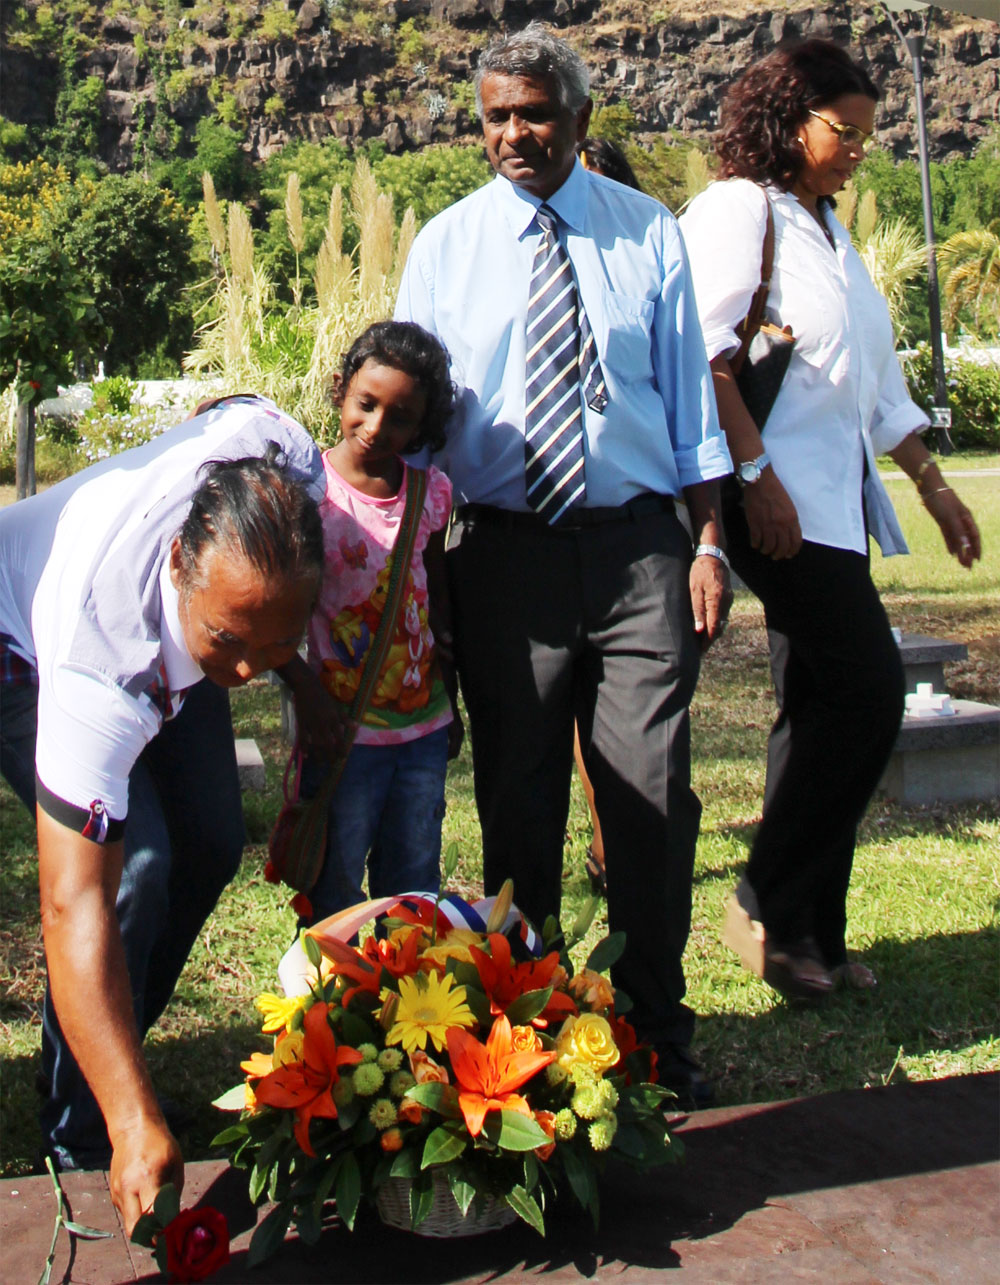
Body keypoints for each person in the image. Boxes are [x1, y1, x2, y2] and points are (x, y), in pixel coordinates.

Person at [395, 23, 733, 1107]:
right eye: (495, 116)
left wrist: (710, 542)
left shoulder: (648, 235)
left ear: (580, 119)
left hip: (640, 552)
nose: (513, 135)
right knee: (517, 798)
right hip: (502, 559)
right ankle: (523, 1031)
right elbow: (418, 420)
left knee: (647, 792)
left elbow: (690, 405)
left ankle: (651, 1027)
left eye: (533, 113)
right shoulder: (444, 247)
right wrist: (423, 579)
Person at [678, 40, 981, 1000]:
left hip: (834, 506)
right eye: (840, 132)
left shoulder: (830, 234)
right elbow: (703, 353)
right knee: (867, 692)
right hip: (772, 503)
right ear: (787, 118)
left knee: (815, 711)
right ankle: (764, 894)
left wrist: (932, 484)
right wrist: (753, 473)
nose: (856, 150)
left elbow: (875, 388)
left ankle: (809, 939)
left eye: (866, 136)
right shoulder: (740, 209)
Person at [0, 396, 324, 1231]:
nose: (251, 672)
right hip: (21, 649)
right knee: (136, 867)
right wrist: (132, 1117)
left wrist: (304, 677)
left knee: (214, 839)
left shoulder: (284, 459)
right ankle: (83, 1129)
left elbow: (236, 412)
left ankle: (115, 1053)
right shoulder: (96, 662)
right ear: (180, 559)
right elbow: (73, 904)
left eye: (276, 644)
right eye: (232, 643)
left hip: (171, 631)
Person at [281, 322, 464, 924]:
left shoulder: (430, 494)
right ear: (341, 391)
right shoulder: (308, 495)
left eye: (402, 417)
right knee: (333, 893)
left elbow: (436, 603)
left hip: (421, 733)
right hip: (341, 737)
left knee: (412, 893)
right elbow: (279, 614)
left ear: (424, 426)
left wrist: (451, 700)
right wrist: (304, 698)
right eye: (367, 404)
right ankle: (330, 1009)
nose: (378, 427)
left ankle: (399, 1010)